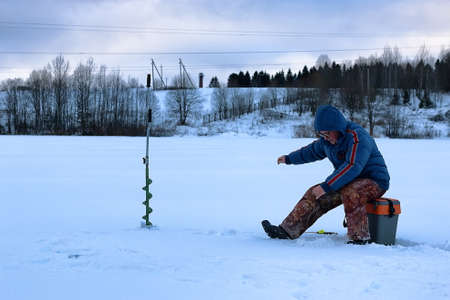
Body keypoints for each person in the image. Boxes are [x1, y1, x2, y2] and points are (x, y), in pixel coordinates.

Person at [262, 105, 390, 244]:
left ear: (338, 128)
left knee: (351, 192)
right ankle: (287, 231)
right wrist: (289, 159)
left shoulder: (357, 137)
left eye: (327, 133)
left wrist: (327, 185)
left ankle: (359, 238)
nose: (325, 137)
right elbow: (310, 152)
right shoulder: (326, 142)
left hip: (375, 181)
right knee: (315, 193)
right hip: (347, 180)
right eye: (322, 134)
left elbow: (353, 166)